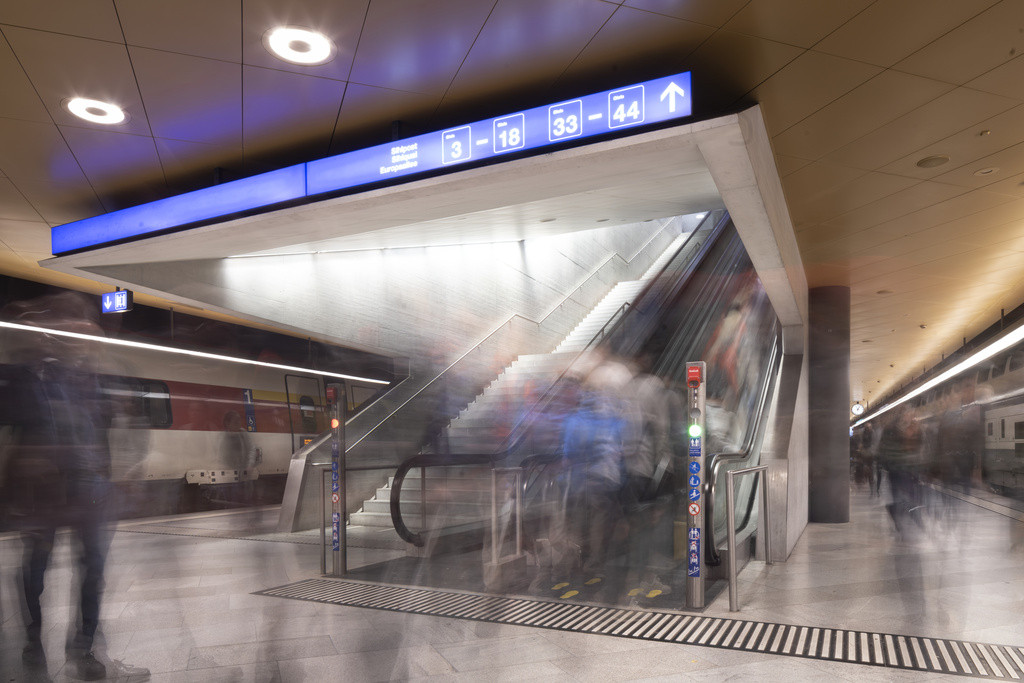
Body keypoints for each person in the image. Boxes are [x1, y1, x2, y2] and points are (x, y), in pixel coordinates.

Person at [0, 294, 117, 679]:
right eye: (69, 322)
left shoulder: (89, 376)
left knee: (94, 566)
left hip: (88, 487)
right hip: (43, 491)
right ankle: (33, 638)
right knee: (36, 566)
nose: (78, 329)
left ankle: (83, 643)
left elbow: (100, 427)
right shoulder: (27, 372)